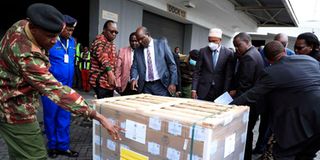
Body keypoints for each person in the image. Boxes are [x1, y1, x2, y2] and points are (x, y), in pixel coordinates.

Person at [0, 3, 122, 160]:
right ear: (34, 28)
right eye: (50, 36)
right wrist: (98, 116)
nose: (54, 41)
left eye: (57, 35)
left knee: (19, 154)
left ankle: (62, 145)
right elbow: (56, 90)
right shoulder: (27, 57)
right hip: (13, 109)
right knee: (36, 156)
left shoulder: (22, 25)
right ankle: (53, 146)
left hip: (41, 88)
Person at [231, 41, 320, 160]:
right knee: (306, 155)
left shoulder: (272, 72)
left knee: (283, 155)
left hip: (300, 124)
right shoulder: (309, 60)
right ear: (284, 51)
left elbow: (251, 96)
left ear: (268, 60)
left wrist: (227, 107)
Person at [40, 14, 81, 158]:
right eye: (68, 29)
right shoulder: (50, 41)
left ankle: (63, 146)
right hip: (51, 88)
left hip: (67, 88)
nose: (70, 32)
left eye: (72, 30)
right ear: (61, 27)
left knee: (64, 116)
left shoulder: (72, 42)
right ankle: (52, 146)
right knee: (50, 117)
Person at [230, 32, 265, 160]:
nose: (236, 49)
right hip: (255, 102)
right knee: (248, 131)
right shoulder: (255, 53)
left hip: (248, 103)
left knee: (245, 132)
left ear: (247, 41)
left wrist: (235, 104)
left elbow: (245, 84)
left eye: (238, 45)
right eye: (235, 46)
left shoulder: (248, 57)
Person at [130, 26, 177, 96]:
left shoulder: (162, 44)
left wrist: (172, 83)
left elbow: (172, 64)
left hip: (161, 85)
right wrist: (133, 78)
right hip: (145, 86)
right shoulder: (137, 51)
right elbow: (134, 67)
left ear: (148, 35)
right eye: (138, 40)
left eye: (142, 39)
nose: (140, 42)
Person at [191, 28, 234, 101]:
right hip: (203, 90)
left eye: (214, 41)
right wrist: (194, 89)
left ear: (220, 40)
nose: (211, 43)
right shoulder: (203, 51)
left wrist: (226, 92)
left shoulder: (228, 53)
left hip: (219, 92)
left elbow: (228, 76)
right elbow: (197, 71)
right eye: (210, 41)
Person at [89, 20, 118, 99]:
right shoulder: (100, 41)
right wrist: (110, 73)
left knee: (107, 107)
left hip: (108, 83)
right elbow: (102, 56)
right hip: (101, 82)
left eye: (116, 32)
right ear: (104, 30)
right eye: (111, 31)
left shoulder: (110, 42)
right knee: (103, 107)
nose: (114, 34)